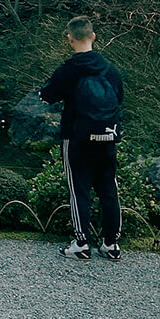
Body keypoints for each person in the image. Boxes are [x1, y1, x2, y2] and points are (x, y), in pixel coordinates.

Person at [38, 16, 124, 262]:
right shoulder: (110, 68)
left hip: (76, 135)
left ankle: (81, 242)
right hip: (107, 135)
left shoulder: (70, 69)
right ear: (93, 36)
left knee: (79, 189)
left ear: (70, 38)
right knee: (108, 188)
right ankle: (111, 243)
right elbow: (119, 98)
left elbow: (48, 94)